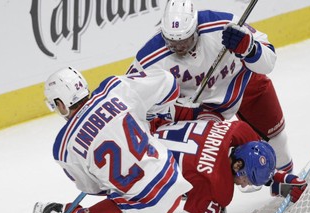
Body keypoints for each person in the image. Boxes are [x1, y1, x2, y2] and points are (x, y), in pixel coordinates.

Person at [36, 66, 194, 213]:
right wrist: (147, 114)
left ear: (60, 104)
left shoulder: (64, 146)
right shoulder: (114, 88)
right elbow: (168, 82)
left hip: (145, 205)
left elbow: (92, 188)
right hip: (173, 180)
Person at [126, 0, 294, 174]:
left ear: (196, 28)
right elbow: (129, 99)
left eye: (185, 40)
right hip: (204, 109)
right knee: (210, 158)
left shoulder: (222, 24)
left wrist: (250, 49)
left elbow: (269, 62)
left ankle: (287, 179)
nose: (179, 47)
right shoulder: (149, 59)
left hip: (243, 83)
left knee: (277, 139)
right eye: (172, 42)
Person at [152, 118, 307, 213]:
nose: (245, 185)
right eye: (246, 179)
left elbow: (252, 153)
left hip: (150, 134)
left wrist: (275, 178)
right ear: (237, 165)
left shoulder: (240, 133)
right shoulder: (212, 184)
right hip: (137, 174)